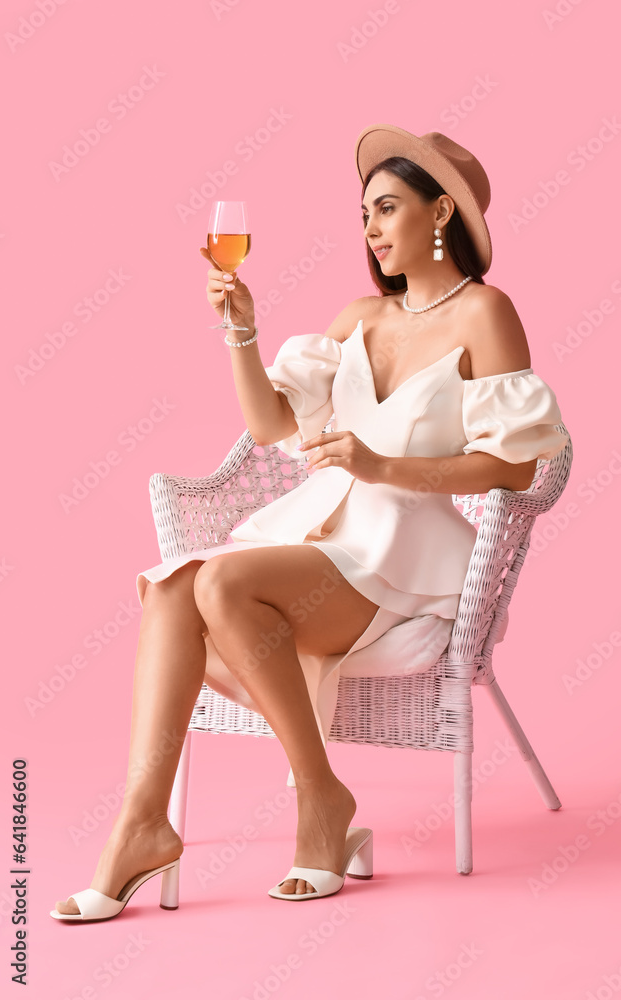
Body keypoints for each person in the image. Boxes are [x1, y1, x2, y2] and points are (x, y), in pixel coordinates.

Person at [50, 124, 570, 919]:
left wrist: (379, 465)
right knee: (170, 589)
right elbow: (268, 426)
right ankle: (142, 823)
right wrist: (241, 329)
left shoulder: (486, 314)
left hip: (401, 556)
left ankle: (319, 803)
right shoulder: (359, 314)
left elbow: (514, 467)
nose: (369, 227)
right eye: (362, 212)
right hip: (321, 538)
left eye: (387, 207)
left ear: (440, 214)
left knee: (212, 577)